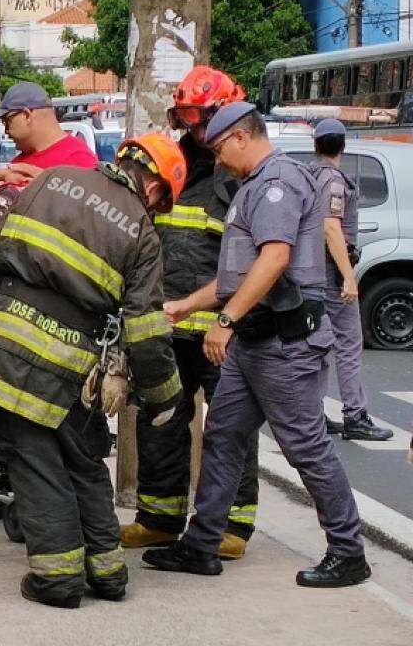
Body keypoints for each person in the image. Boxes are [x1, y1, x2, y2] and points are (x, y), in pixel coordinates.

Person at [146, 101, 371, 589]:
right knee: (224, 434)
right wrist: (187, 306)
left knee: (306, 448)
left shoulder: (276, 184)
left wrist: (224, 320)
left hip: (284, 343)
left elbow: (273, 262)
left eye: (220, 146)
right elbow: (239, 273)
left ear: (242, 138)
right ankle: (202, 544)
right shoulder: (255, 184)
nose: (217, 158)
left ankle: (348, 551)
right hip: (256, 343)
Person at [0, 131, 185, 608]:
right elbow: (146, 331)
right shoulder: (143, 235)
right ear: (154, 188)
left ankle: (60, 578)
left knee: (37, 459)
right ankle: (102, 574)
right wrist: (165, 396)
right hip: (76, 364)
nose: (157, 212)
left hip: (7, 343)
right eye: (162, 203)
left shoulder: (53, 180)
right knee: (82, 459)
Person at [0, 81, 98, 522]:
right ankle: (10, 486)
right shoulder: (21, 164)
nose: (6, 131)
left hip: (50, 306)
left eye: (8, 120)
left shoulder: (77, 164)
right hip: (7, 298)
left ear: (29, 114)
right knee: (4, 407)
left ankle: (35, 501)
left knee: (41, 413)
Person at [121, 67, 261, 560]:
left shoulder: (246, 176)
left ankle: (230, 524)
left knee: (228, 426)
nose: (198, 130)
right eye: (189, 118)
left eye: (205, 119)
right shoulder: (173, 167)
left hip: (223, 328)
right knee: (159, 418)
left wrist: (229, 320)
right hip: (168, 322)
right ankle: (159, 517)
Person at [307, 118, 392, 441]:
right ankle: (355, 415)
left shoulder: (309, 174)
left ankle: (315, 414)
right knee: (348, 344)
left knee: (317, 345)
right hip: (330, 272)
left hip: (312, 272)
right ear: (342, 145)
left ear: (316, 145)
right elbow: (331, 227)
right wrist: (348, 277)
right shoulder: (333, 180)